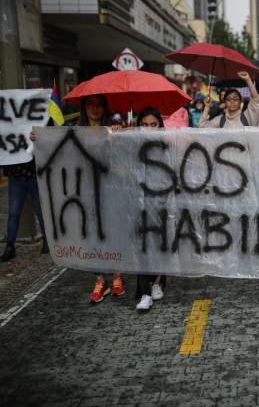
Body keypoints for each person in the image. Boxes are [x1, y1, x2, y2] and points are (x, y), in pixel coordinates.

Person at [30, 94, 125, 302]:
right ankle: (100, 279)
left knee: (113, 231)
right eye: (90, 104)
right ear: (84, 107)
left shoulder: (115, 126)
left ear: (105, 107)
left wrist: (115, 138)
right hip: (82, 192)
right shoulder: (73, 129)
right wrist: (40, 141)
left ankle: (118, 274)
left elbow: (123, 159)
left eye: (99, 104)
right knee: (89, 235)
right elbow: (58, 152)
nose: (95, 108)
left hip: (111, 190)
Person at [133, 107, 167, 310]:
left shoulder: (167, 144)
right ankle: (144, 292)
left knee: (160, 242)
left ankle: (157, 283)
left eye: (153, 124)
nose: (148, 128)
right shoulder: (129, 143)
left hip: (161, 201)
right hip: (138, 202)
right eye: (144, 124)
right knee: (141, 245)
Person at [0, 159, 49, 262]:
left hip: (30, 176)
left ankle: (47, 240)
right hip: (18, 177)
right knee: (14, 213)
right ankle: (10, 246)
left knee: (39, 210)